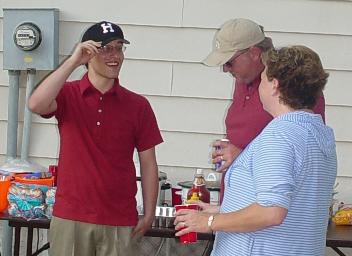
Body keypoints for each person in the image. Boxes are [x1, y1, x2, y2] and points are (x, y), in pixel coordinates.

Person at [175, 45, 337, 255]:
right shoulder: (319, 134)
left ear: (274, 86)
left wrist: (211, 221)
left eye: (263, 78)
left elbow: (271, 212)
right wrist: (223, 209)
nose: (259, 84)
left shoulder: (279, 135)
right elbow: (292, 204)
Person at [28, 21, 163, 256]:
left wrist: (150, 212)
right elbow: (36, 103)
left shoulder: (138, 105)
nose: (115, 56)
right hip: (71, 217)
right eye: (106, 49)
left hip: (120, 219)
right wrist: (72, 61)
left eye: (119, 48)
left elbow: (148, 162)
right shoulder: (68, 94)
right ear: (88, 53)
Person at [202, 19, 325, 201]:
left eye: (229, 62)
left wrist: (242, 156)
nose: (225, 69)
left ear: (254, 53)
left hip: (265, 212)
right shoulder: (242, 81)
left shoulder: (292, 86)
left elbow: (308, 153)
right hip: (235, 210)